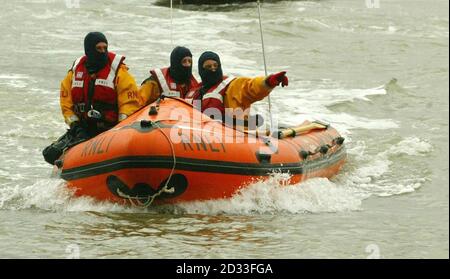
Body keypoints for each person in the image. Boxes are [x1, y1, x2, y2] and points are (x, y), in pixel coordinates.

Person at [43, 32, 141, 165]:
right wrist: (76, 127)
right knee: (50, 154)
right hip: (83, 129)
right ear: (89, 50)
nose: (102, 52)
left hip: (110, 129)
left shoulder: (119, 72)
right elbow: (66, 104)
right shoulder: (75, 71)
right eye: (98, 48)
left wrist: (120, 130)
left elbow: (129, 104)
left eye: (105, 48)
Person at [192, 51, 288, 129]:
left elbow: (250, 87)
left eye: (215, 66)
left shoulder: (232, 85)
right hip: (204, 134)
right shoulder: (197, 91)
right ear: (201, 70)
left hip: (232, 136)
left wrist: (269, 81)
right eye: (208, 67)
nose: (213, 69)